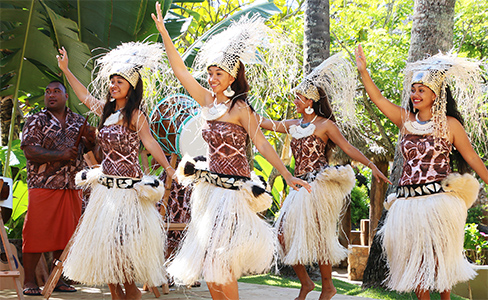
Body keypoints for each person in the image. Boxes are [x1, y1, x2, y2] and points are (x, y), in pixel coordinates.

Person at [152, 3, 311, 299]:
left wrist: (288, 176)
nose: (211, 79)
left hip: (233, 195)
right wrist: (164, 34)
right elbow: (180, 71)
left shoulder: (240, 109)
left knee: (221, 261)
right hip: (209, 193)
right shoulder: (206, 101)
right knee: (211, 266)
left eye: (218, 74)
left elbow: (262, 143)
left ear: (232, 77)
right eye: (210, 73)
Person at [355, 44, 488, 300]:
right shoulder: (406, 121)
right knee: (416, 262)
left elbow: (471, 156)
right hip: (407, 203)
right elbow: (379, 99)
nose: (415, 94)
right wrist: (364, 72)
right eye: (414, 90)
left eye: (422, 90)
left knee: (440, 259)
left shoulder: (450, 125)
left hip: (438, 201)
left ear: (436, 94)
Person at [259, 53, 390, 300]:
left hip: (318, 186)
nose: (295, 100)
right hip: (298, 187)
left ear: (311, 100)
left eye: (299, 97)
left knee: (320, 238)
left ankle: (328, 286)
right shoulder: (292, 124)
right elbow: (266, 123)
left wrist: (371, 165)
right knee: (282, 236)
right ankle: (307, 283)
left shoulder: (325, 125)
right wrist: (242, 108)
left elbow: (348, 148)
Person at [57, 42, 175, 300]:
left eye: (119, 81)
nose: (114, 85)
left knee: (123, 256)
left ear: (131, 86)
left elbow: (150, 142)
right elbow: (83, 97)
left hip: (128, 193)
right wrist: (66, 70)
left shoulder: (135, 115)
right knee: (106, 253)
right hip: (106, 194)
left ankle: (132, 295)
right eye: (112, 81)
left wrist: (167, 167)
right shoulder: (106, 111)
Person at [20, 81, 95, 295]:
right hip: (43, 184)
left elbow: (92, 151)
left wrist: (91, 141)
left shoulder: (78, 121)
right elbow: (30, 151)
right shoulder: (35, 120)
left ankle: (58, 279)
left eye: (56, 91)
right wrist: (60, 155)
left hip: (71, 185)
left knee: (66, 235)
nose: (51, 95)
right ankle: (29, 281)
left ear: (65, 97)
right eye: (47, 92)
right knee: (35, 231)